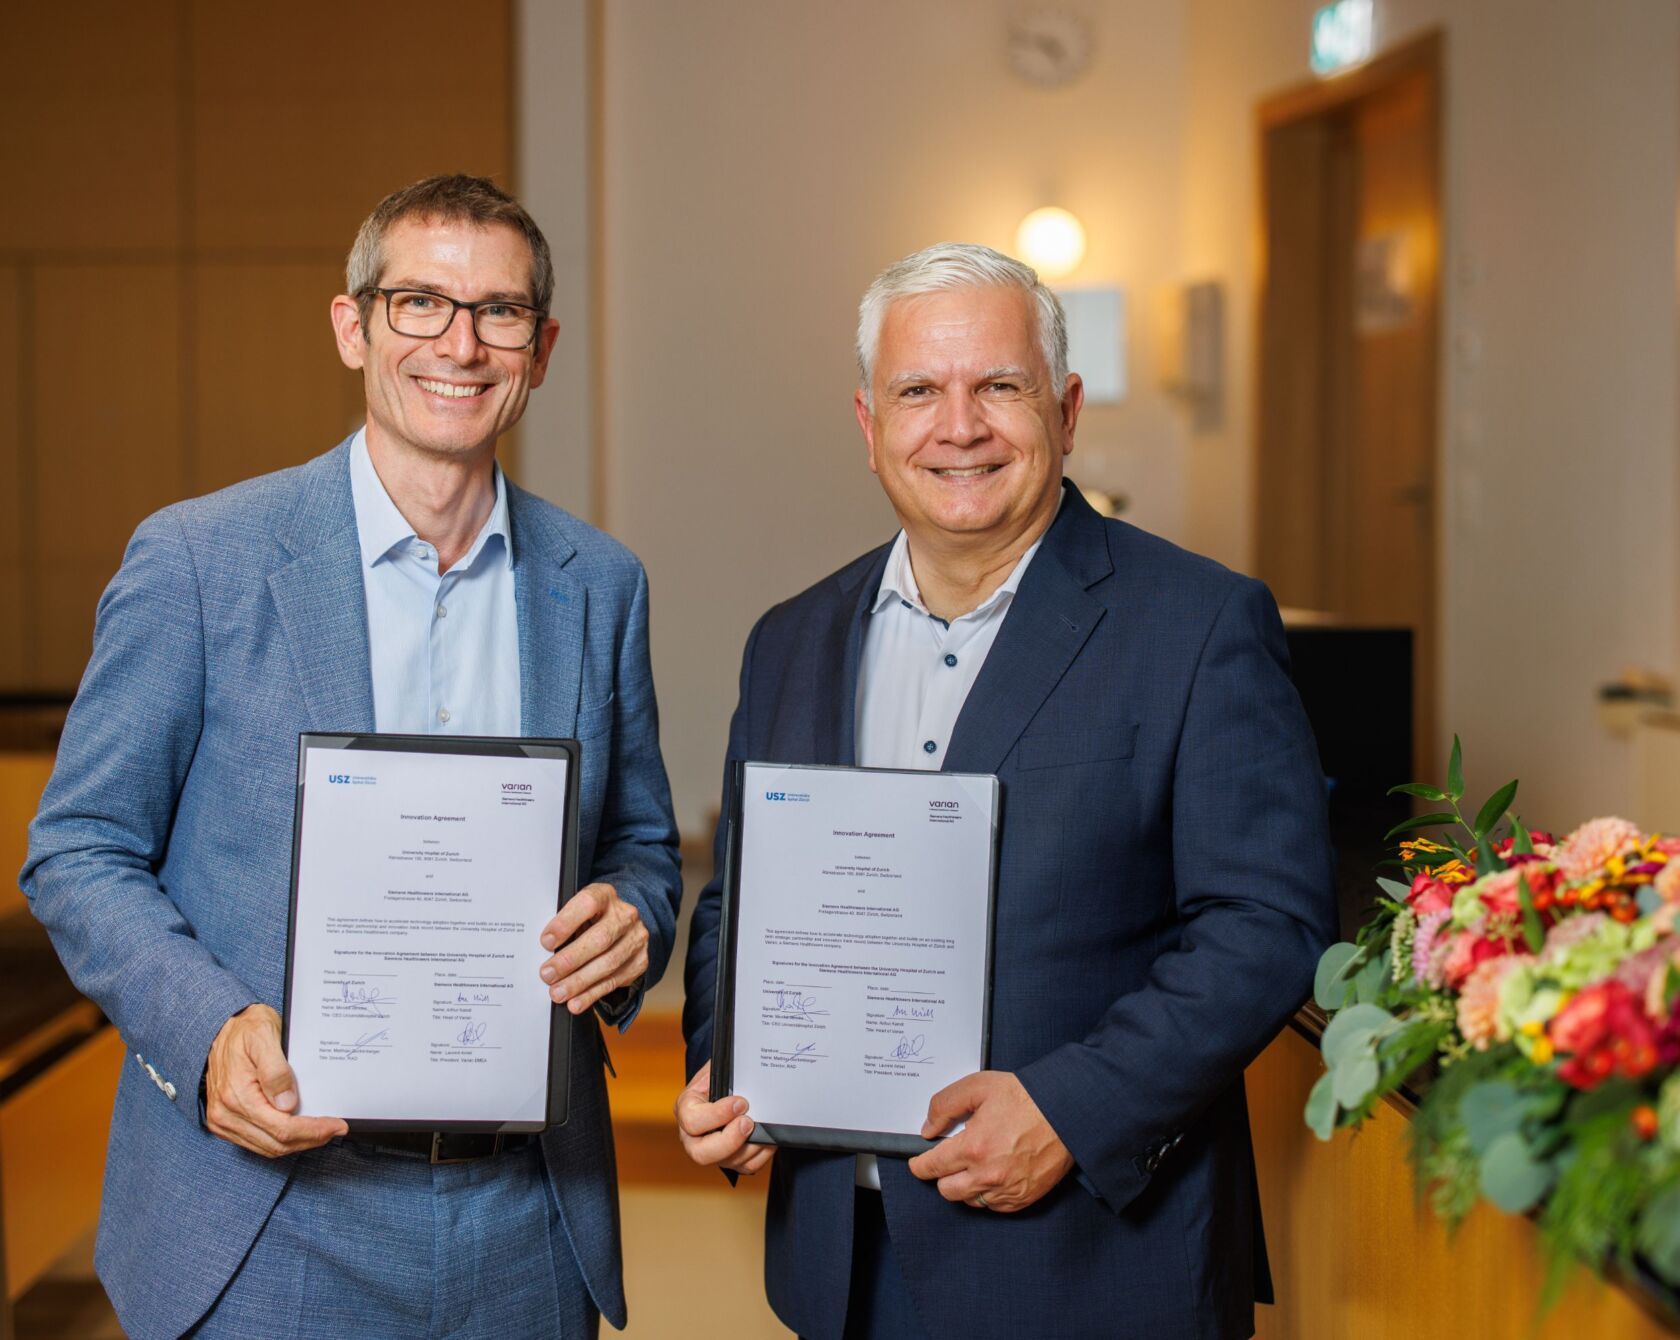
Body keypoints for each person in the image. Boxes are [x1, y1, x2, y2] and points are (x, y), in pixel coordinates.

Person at [22, 174, 682, 1339]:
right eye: (420, 302)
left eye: (500, 312)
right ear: (353, 325)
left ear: (542, 347)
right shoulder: (199, 560)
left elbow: (639, 841)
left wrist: (634, 913)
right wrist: (211, 1027)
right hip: (268, 1209)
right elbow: (78, 849)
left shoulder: (601, 586)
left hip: (523, 1214)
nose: (460, 344)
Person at [676, 242, 1336, 1340]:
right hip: (843, 1265)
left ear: (1066, 409)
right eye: (919, 390)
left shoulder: (1199, 624)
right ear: (868, 423)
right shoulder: (789, 641)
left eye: (1000, 387)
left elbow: (1265, 924)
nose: (960, 425)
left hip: (1093, 1266)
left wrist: (1073, 1111)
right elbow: (737, 901)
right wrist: (724, 1054)